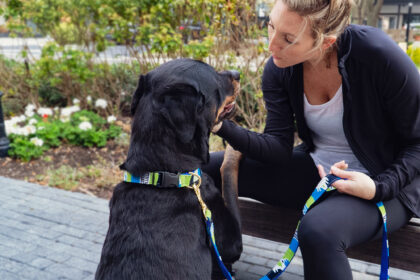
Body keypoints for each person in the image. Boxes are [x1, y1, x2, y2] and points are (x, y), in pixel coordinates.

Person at [203, 0, 420, 279]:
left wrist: (378, 188)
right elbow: (277, 148)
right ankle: (212, 267)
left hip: (389, 181)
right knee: (204, 168)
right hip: (319, 169)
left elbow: (417, 143)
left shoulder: (377, 55)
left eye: (288, 39)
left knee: (319, 231)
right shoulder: (280, 68)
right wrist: (220, 126)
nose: (271, 46)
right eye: (271, 26)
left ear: (326, 41)